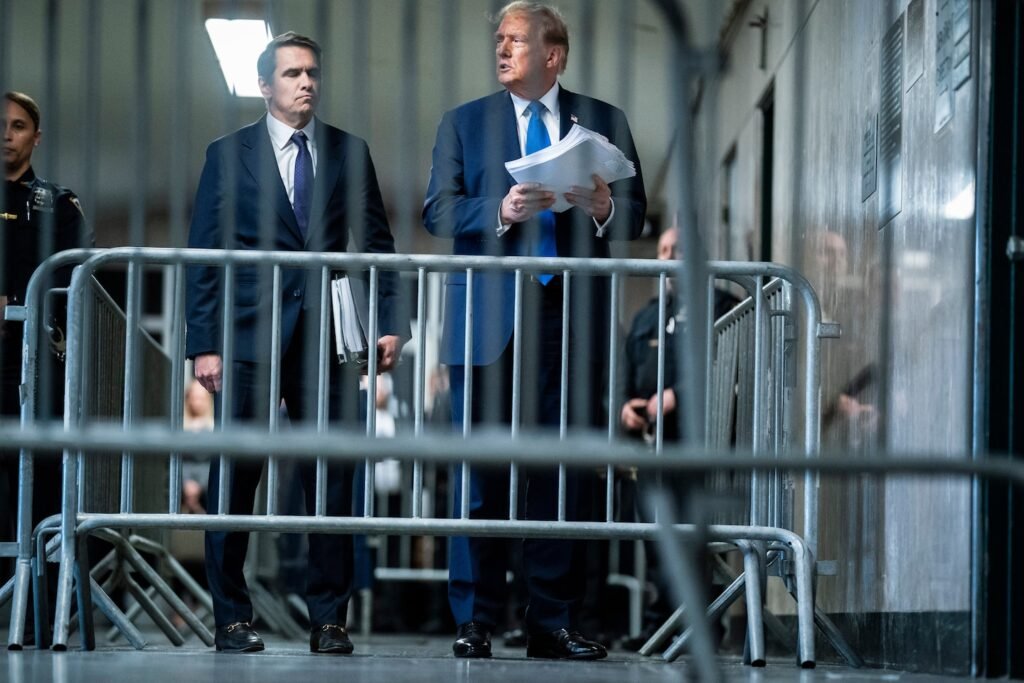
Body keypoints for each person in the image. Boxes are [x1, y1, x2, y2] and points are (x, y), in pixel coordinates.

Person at [422, 2, 646, 660]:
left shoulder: (603, 121)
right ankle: (476, 619)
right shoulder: (464, 122)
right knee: (481, 472)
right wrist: (499, 208)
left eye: (516, 40)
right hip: (486, 318)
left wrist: (605, 206)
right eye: (499, 39)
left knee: (561, 470)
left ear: (554, 54)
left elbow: (635, 214)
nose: (501, 49)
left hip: (568, 317)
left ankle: (553, 621)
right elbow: (437, 210)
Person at [185, 32, 404, 655]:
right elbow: (204, 253)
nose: (306, 82)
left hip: (327, 336)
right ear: (264, 86)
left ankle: (329, 620)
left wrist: (390, 321)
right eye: (292, 74)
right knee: (235, 477)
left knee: (332, 476)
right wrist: (204, 343)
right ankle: (231, 618)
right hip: (246, 333)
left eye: (312, 72)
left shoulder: (348, 151)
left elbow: (378, 244)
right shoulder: (227, 154)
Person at [1, 91, 92, 635]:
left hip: (34, 364)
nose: (6, 133)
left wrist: (18, 304)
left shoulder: (57, 204)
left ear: (36, 138)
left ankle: (39, 609)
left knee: (38, 479)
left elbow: (78, 277)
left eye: (17, 125)